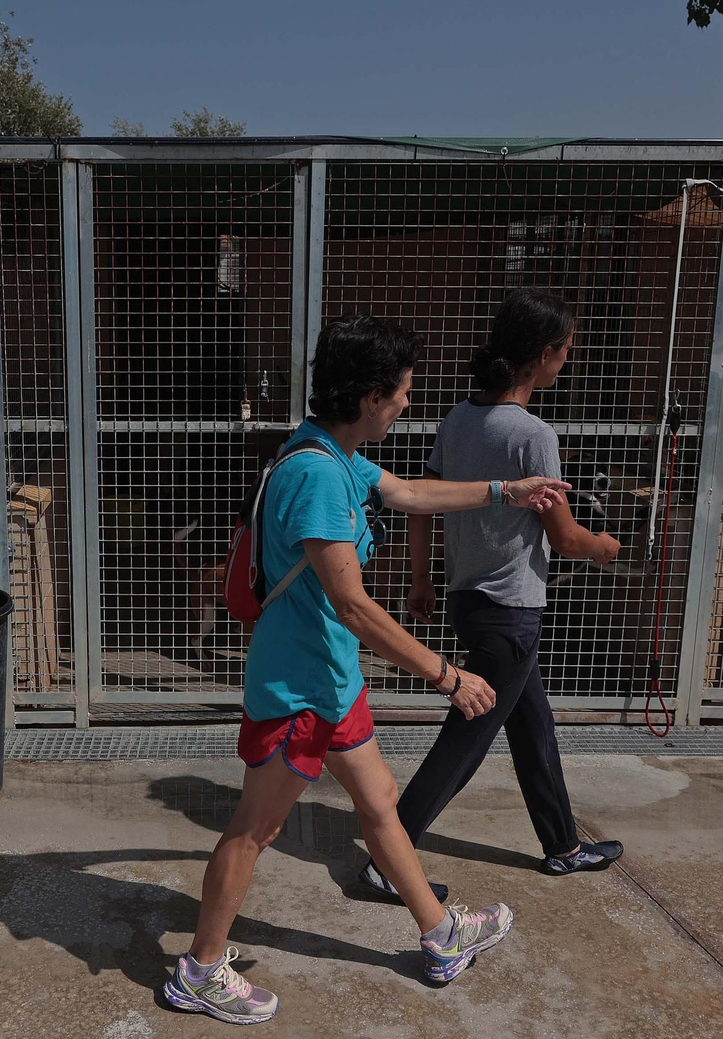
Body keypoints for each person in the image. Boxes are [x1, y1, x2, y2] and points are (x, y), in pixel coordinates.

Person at [163, 314, 571, 1026]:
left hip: (332, 681)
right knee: (253, 830)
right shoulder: (318, 475)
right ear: (371, 396)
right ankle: (198, 969)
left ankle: (441, 935)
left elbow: (411, 493)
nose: (409, 404)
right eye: (403, 393)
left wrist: (504, 491)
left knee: (380, 801)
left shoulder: (333, 452)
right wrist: (448, 675)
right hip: (299, 690)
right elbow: (352, 605)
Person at [359, 288, 625, 902]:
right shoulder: (533, 435)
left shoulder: (458, 418)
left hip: (468, 600)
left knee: (533, 726)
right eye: (565, 352)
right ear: (540, 357)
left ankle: (562, 845)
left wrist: (421, 578)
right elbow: (564, 539)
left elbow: (421, 503)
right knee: (464, 742)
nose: (568, 363)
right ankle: (387, 861)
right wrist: (605, 547)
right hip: (512, 612)